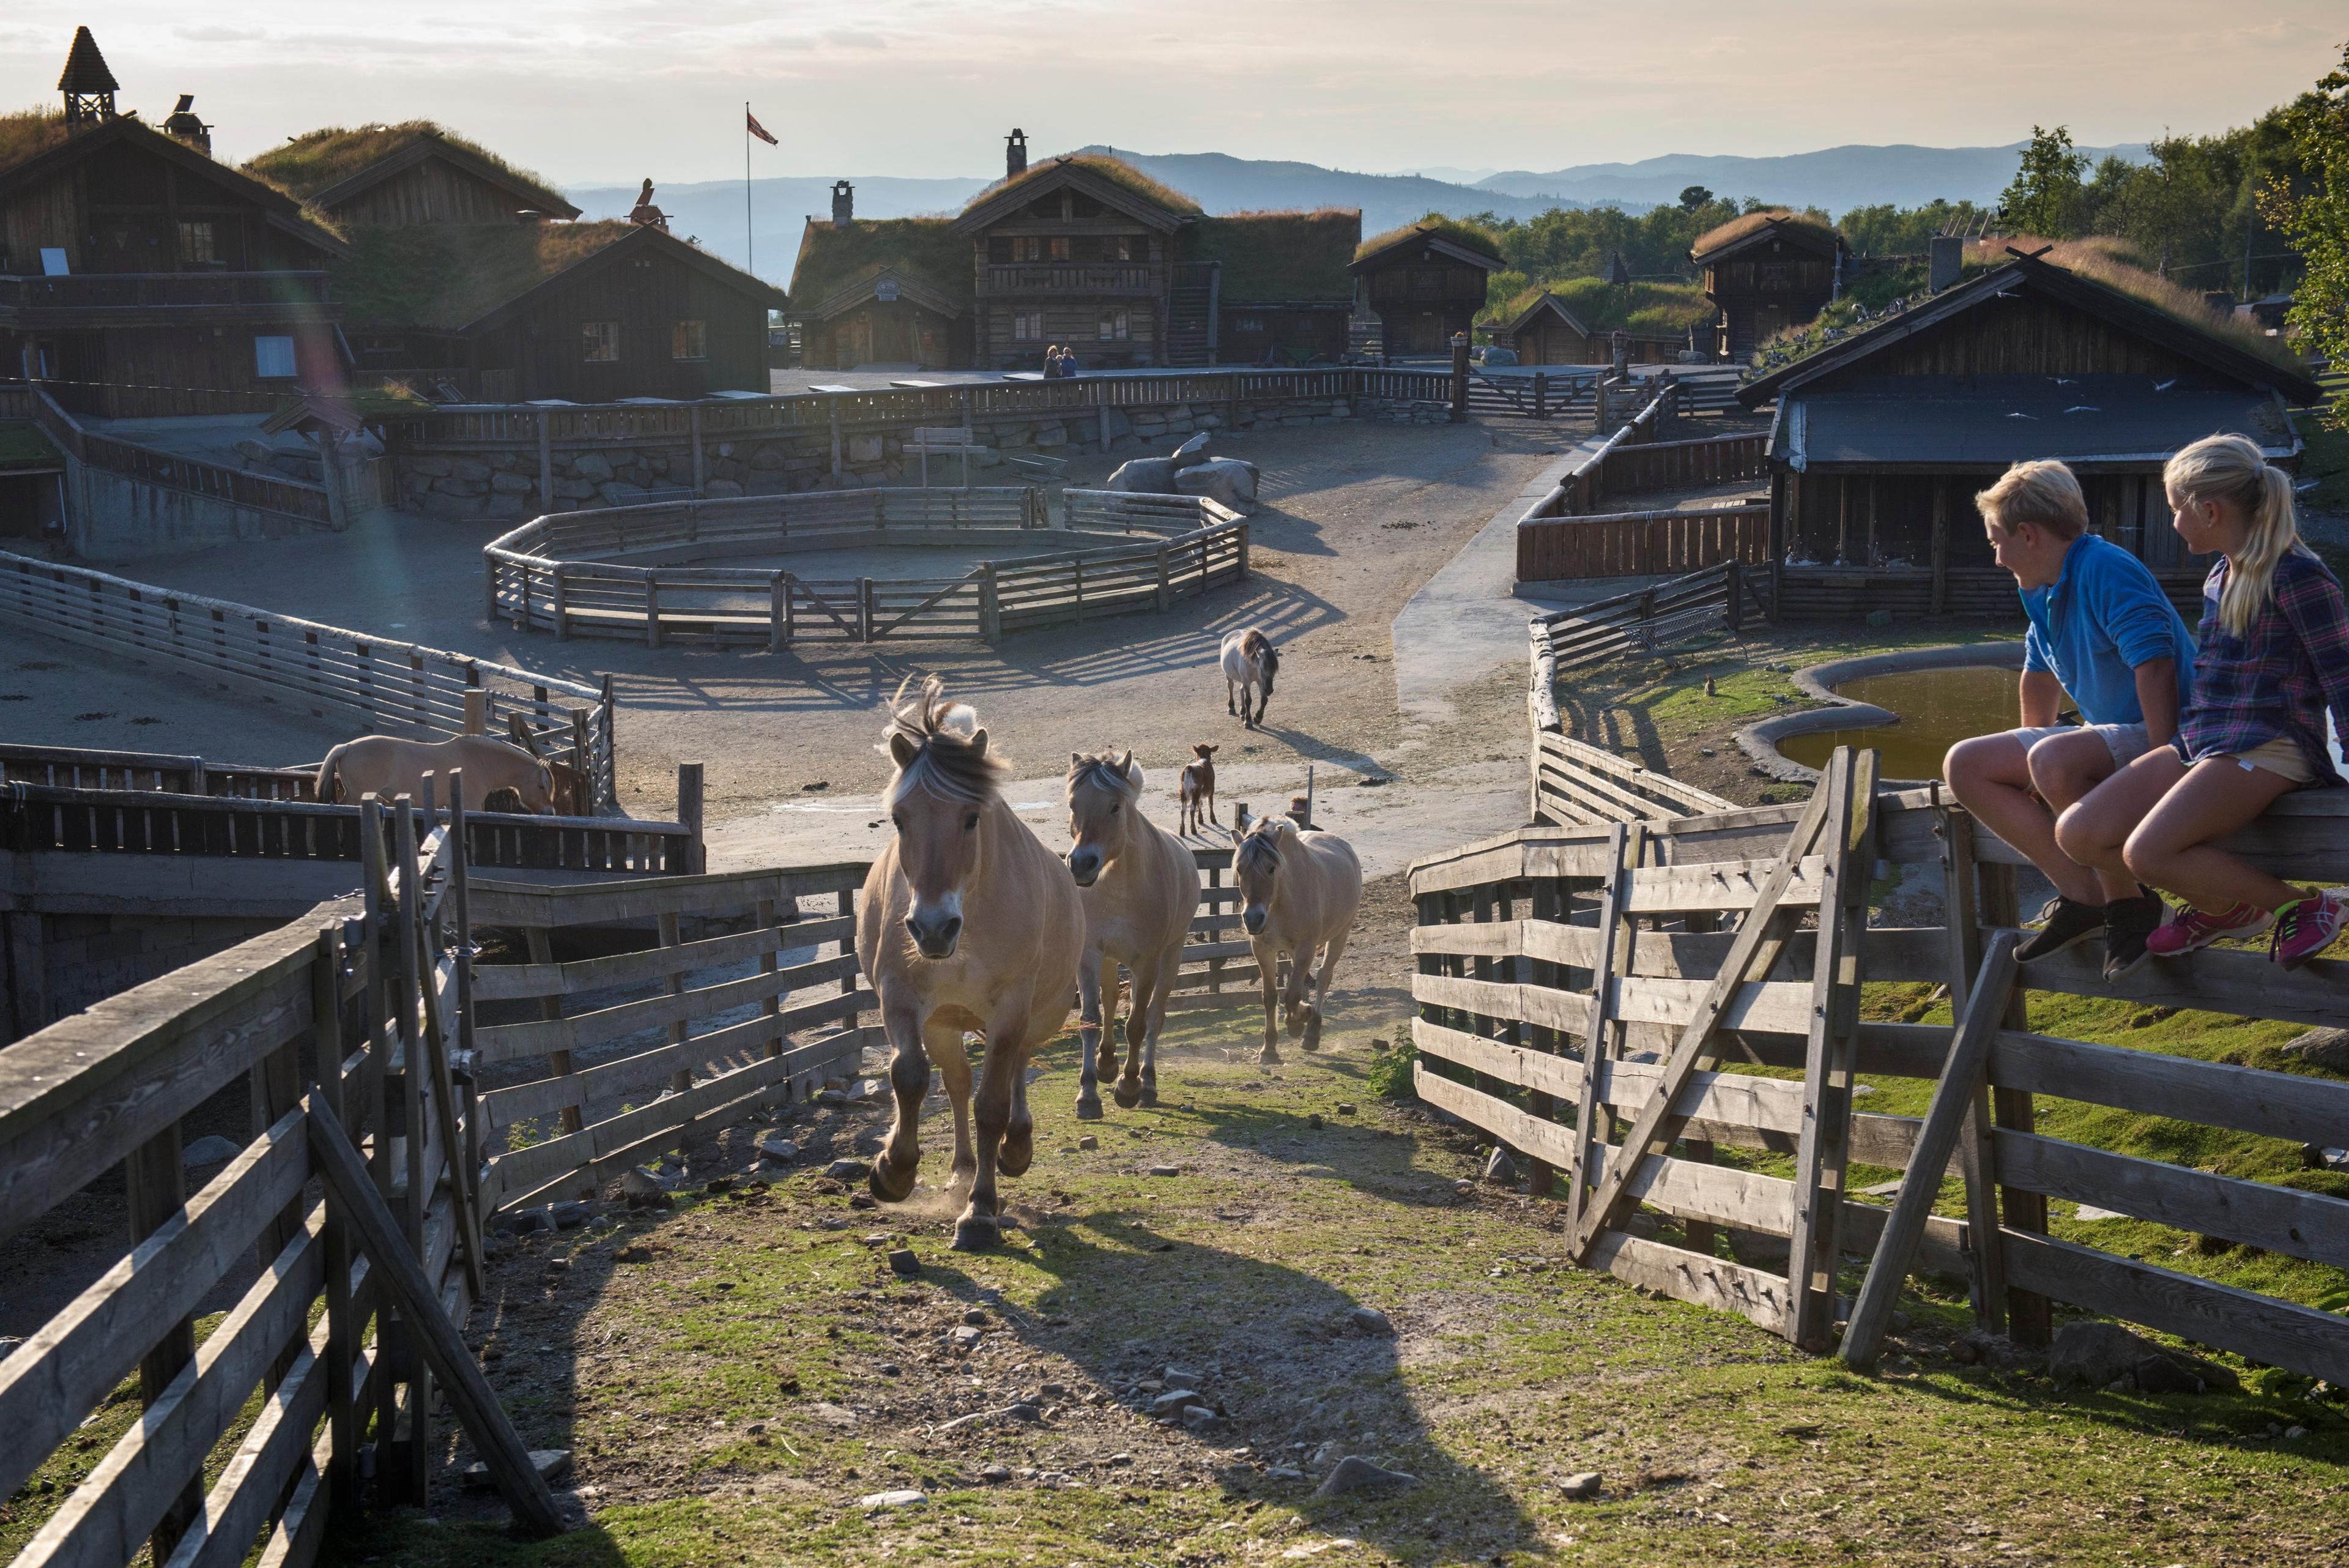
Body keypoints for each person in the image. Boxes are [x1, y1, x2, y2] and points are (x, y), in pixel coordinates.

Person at [2053, 433, 2349, 973]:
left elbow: (2342, 673)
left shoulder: (2298, 574)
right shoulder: (2221, 573)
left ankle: (2304, 906)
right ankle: (2226, 909)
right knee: (2080, 833)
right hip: (2205, 742)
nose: (2171, 522)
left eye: (2174, 509)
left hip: (2271, 744)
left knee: (2146, 853)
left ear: (2208, 510)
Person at [1942, 460, 2195, 976]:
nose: (1996, 558)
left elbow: (2156, 663)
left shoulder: (2105, 567)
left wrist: (2161, 755)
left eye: (1997, 542)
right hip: (2112, 733)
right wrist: (2029, 759)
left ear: (2028, 535)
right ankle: (2084, 894)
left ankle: (2130, 904)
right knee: (1965, 762)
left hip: (2172, 731)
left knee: (2054, 758)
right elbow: (2038, 674)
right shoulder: (2042, 586)